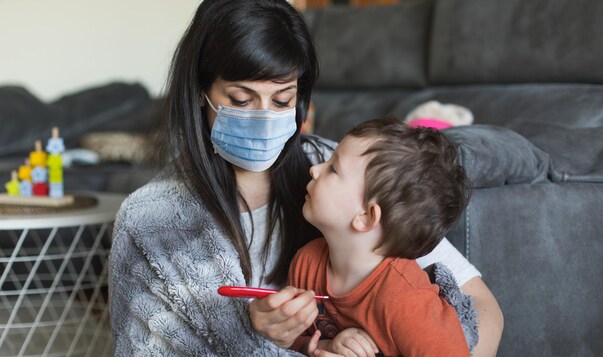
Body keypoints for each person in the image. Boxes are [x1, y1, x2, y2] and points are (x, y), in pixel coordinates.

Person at [109, 0, 503, 356]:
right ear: (200, 91)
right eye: (242, 100)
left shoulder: (354, 173)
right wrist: (269, 334)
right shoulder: (154, 219)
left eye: (282, 100)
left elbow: (478, 308)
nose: (264, 117)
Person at [288, 118, 475, 357]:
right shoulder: (306, 262)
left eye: (333, 169)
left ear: (366, 216)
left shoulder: (407, 300)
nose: (314, 169)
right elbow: (289, 343)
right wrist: (326, 347)